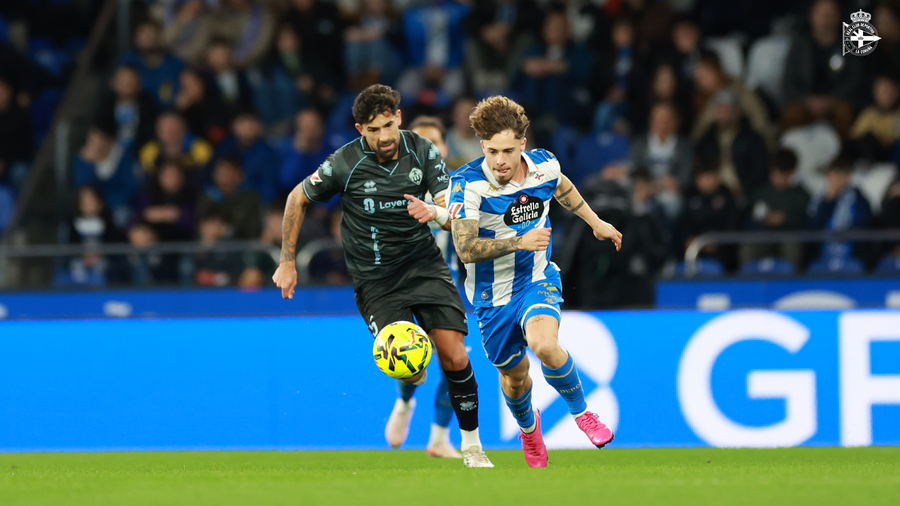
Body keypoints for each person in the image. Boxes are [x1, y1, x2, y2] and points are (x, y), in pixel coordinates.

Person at [272, 84, 492, 467]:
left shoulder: (422, 151)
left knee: (455, 356)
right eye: (373, 130)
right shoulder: (345, 162)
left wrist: (438, 211)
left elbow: (446, 200)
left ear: (399, 118)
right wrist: (287, 262)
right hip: (377, 280)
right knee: (409, 360)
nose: (384, 136)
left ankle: (472, 446)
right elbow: (297, 198)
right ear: (360, 129)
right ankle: (406, 396)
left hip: (424, 265)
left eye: (389, 125)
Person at [445, 96, 622, 468]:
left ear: (522, 144)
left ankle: (582, 413)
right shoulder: (467, 184)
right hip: (491, 299)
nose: (500, 161)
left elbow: (562, 187)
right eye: (492, 151)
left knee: (544, 344)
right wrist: (519, 241)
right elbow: (464, 248)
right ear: (483, 147)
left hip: (536, 279)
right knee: (515, 378)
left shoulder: (544, 164)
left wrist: (596, 223)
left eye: (508, 150)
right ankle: (529, 429)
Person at [382, 115, 460, 459]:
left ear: (443, 148)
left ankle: (439, 437)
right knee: (409, 349)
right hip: (401, 280)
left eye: (434, 142)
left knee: (453, 358)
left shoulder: (458, 187)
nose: (427, 149)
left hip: (448, 281)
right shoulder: (393, 185)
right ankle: (404, 401)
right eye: (420, 141)